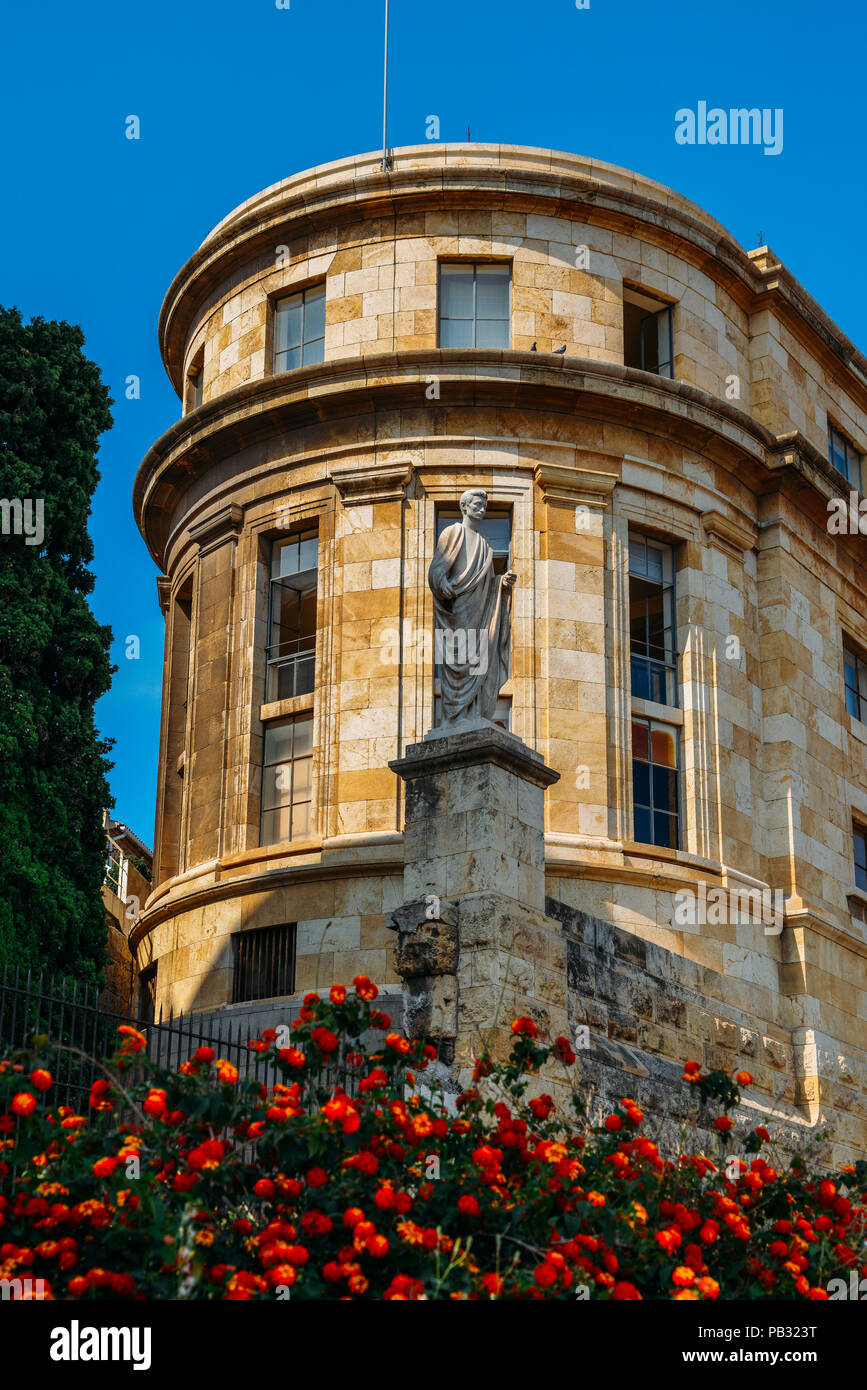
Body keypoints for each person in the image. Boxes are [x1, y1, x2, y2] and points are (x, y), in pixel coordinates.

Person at [427, 488, 517, 724]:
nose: (482, 509)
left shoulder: (486, 547)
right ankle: (454, 717)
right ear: (464, 507)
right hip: (457, 610)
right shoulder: (452, 532)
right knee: (457, 661)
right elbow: (437, 568)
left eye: (483, 505)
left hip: (479, 612)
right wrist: (442, 583)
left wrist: (501, 583)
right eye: (477, 504)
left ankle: (473, 713)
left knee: (478, 658)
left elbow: (487, 585)